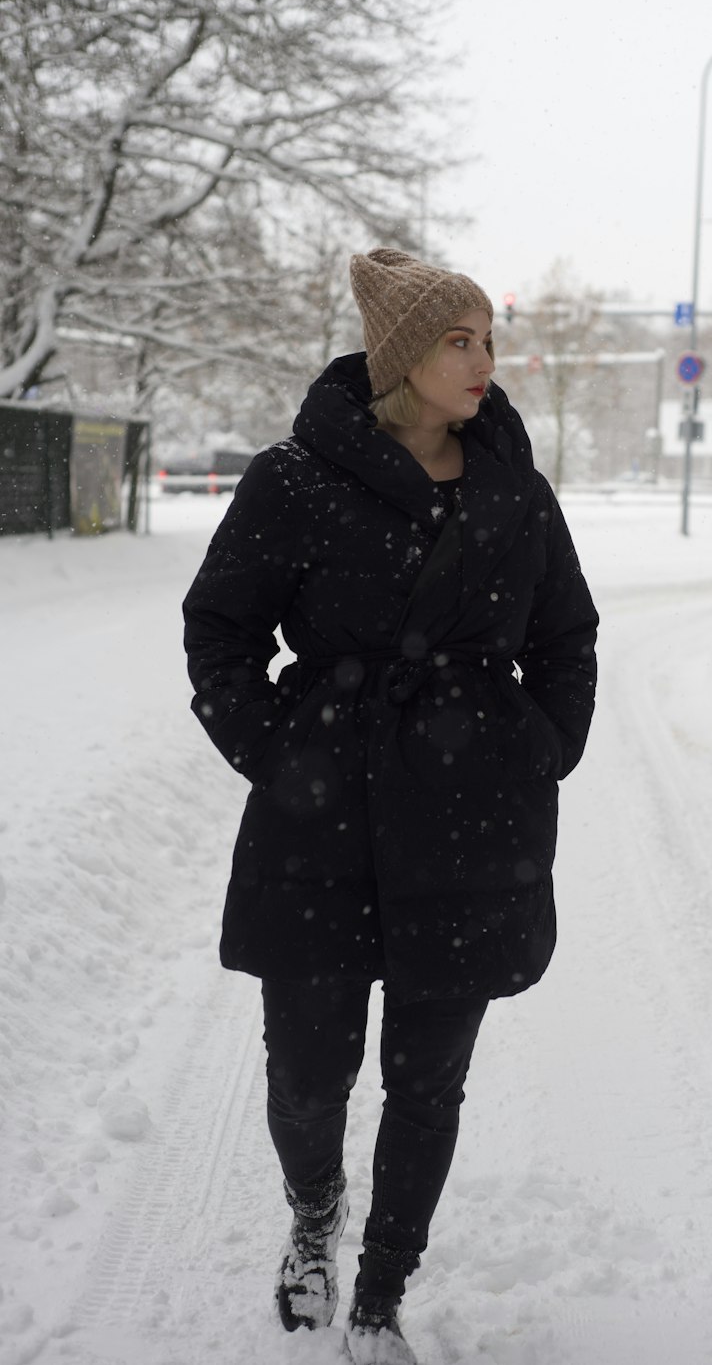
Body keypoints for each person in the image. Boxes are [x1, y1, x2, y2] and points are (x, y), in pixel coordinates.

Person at [182, 249, 599, 1364]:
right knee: (309, 1074)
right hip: (320, 815)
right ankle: (313, 1215)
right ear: (401, 356)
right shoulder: (294, 479)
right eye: (457, 339)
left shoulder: (516, 492)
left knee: (428, 1084)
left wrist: (538, 750)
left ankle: (379, 1294)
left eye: (488, 339)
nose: (482, 361)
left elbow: (567, 636)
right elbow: (219, 633)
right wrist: (277, 749)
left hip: (472, 824)